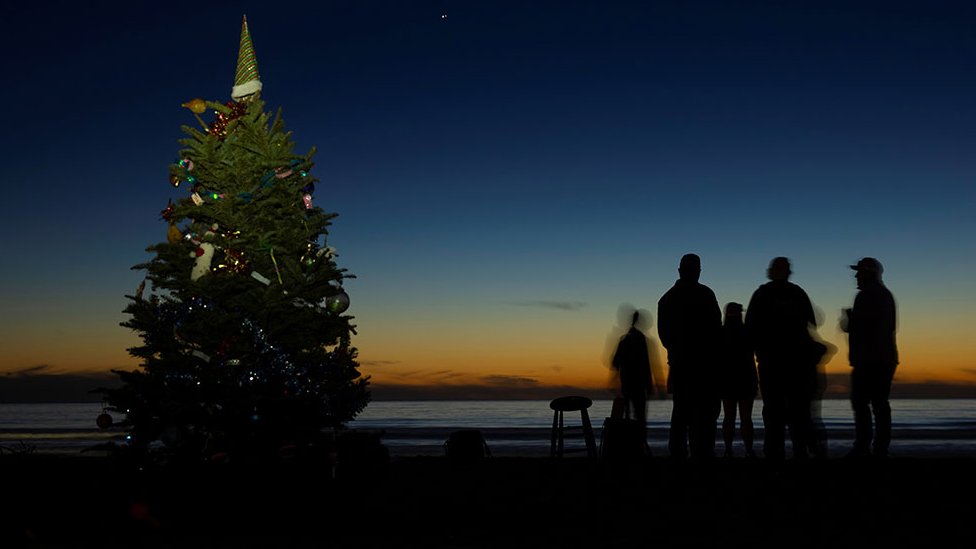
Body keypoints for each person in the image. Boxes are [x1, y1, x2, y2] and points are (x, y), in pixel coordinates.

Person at [745, 257, 821, 461]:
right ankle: (796, 451)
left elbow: (750, 329)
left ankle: (777, 452)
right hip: (791, 362)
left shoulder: (763, 294)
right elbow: (813, 322)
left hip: (776, 362)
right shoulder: (796, 293)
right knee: (794, 410)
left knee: (775, 410)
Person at [657, 253, 722, 460]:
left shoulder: (667, 299)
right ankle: (701, 451)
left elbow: (664, 336)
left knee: (682, 413)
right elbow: (716, 331)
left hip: (681, 365)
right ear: (698, 271)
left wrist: (677, 352)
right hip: (704, 367)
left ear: (679, 271)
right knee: (704, 413)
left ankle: (679, 452)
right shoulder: (706, 295)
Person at [841, 257, 898, 458]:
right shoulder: (881, 295)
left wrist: (850, 321)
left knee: (865, 403)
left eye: (859, 272)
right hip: (880, 358)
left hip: (872, 360)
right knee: (877, 403)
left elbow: (870, 328)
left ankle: (866, 447)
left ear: (869, 273)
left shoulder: (869, 296)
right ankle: (877, 448)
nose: (856, 276)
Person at [718, 302, 758, 458]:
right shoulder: (747, 332)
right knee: (746, 417)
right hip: (746, 379)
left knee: (729, 417)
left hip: (726, 380)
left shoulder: (720, 333)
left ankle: (728, 450)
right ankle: (748, 450)